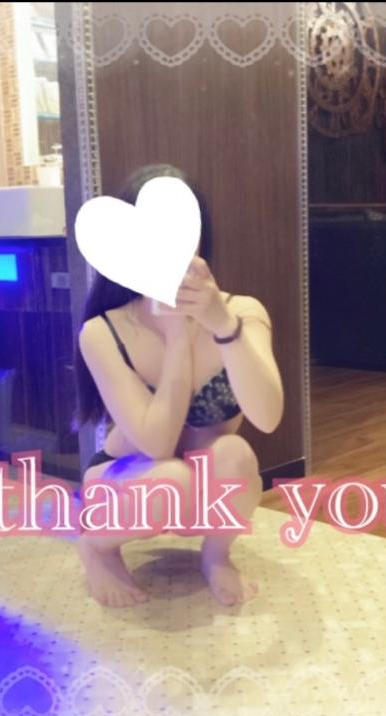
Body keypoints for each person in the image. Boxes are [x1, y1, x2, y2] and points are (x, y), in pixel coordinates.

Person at [75, 163, 284, 607]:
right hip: (125, 481)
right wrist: (177, 341)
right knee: (170, 478)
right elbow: (156, 445)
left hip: (202, 479)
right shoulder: (101, 331)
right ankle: (96, 547)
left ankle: (216, 556)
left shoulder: (242, 312)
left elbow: (267, 417)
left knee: (236, 454)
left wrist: (222, 325)